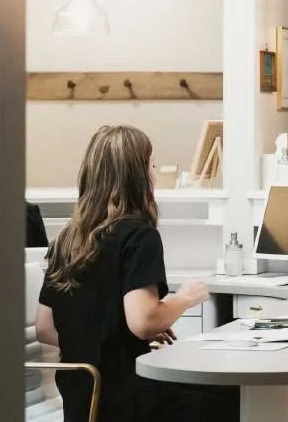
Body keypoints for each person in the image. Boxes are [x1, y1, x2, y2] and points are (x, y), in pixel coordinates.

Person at [35, 125, 238, 422]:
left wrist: (108, 342)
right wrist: (185, 298)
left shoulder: (68, 238)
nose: (154, 173)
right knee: (234, 396)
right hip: (126, 399)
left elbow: (45, 328)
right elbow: (143, 322)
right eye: (151, 165)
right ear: (137, 176)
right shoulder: (139, 236)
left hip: (82, 401)